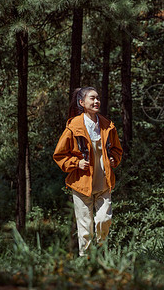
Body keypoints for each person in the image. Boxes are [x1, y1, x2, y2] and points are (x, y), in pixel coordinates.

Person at [53, 87, 123, 256]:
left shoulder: (108, 125)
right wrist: (76, 163)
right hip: (82, 183)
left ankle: (100, 253)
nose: (96, 101)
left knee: (104, 220)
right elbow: (59, 154)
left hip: (104, 181)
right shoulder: (73, 126)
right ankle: (86, 262)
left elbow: (117, 150)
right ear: (82, 103)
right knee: (85, 227)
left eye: (98, 98)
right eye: (92, 98)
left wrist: (113, 159)